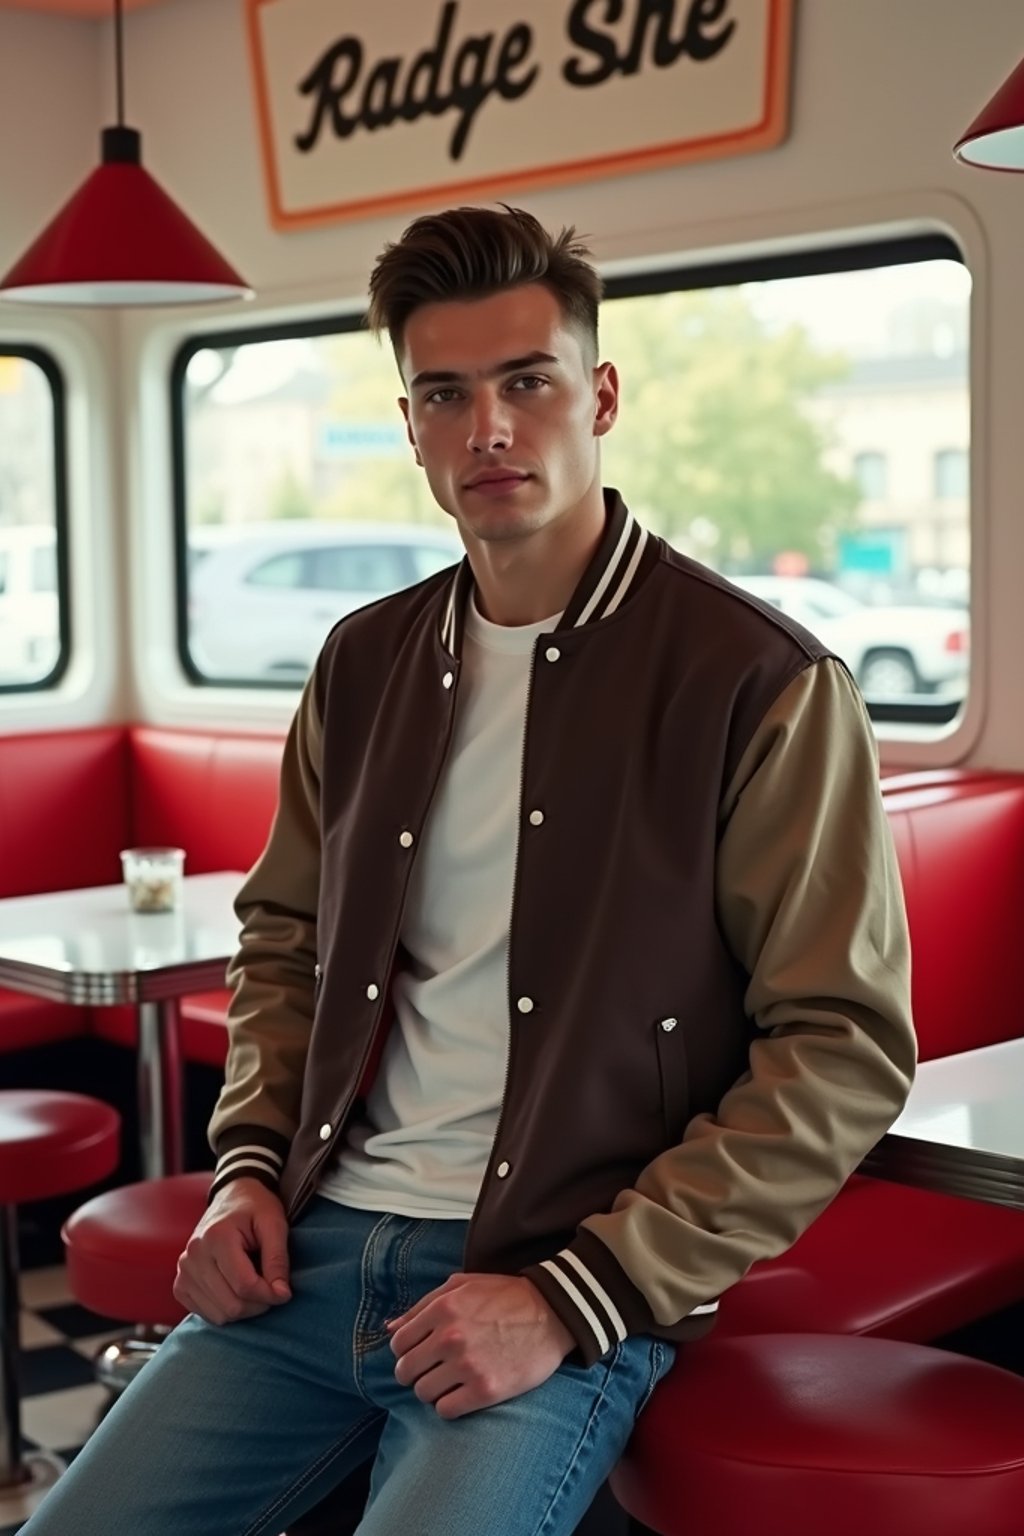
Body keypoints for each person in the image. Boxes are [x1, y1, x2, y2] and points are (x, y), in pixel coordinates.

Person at [23, 205, 915, 1536]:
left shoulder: (760, 682)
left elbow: (841, 1046)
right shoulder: (363, 663)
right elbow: (284, 941)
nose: (489, 428)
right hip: (308, 1255)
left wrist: (576, 1296)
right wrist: (247, 1170)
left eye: (527, 382)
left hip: (557, 1268)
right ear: (411, 424)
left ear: (598, 394)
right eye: (446, 394)